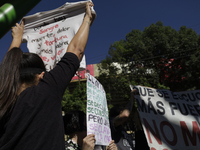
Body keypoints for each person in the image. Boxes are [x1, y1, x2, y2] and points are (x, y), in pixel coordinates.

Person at [0, 2, 95, 150]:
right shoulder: (47, 90)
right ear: (41, 75)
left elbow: (7, 69)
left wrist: (16, 39)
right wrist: (87, 19)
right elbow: (76, 50)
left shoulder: (3, 102)